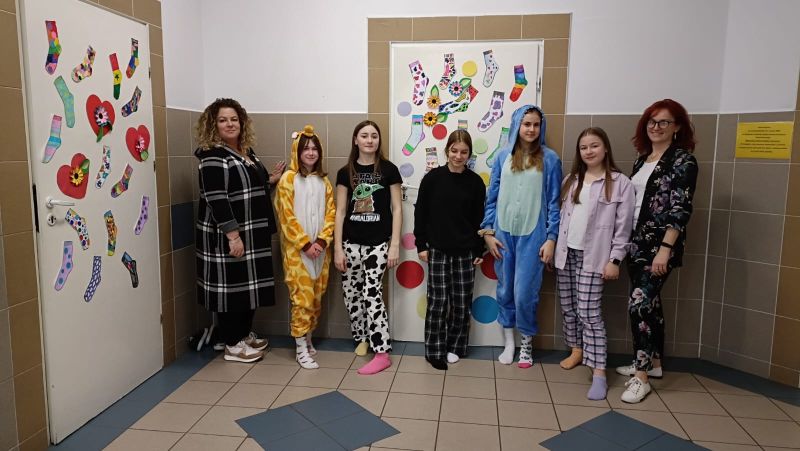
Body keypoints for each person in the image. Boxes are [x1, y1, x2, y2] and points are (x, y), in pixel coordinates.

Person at [616, 99, 698, 403]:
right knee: (651, 306)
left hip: (660, 246)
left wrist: (665, 249)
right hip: (637, 243)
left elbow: (680, 208)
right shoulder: (642, 160)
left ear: (677, 127)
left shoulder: (683, 161)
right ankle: (654, 363)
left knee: (639, 305)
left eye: (664, 122)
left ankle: (641, 377)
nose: (656, 127)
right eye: (652, 121)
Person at [194, 98, 284, 363]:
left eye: (234, 119)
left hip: (252, 233)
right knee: (231, 291)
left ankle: (242, 335)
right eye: (223, 120)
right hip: (229, 235)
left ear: (242, 122)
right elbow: (217, 198)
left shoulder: (245, 152)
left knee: (248, 289)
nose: (230, 124)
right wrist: (233, 236)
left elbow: (248, 187)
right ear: (213, 125)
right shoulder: (213, 156)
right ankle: (232, 343)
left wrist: (270, 180)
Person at [554, 127, 634, 400]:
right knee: (569, 308)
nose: (589, 151)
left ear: (605, 148)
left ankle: (599, 372)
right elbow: (562, 217)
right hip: (566, 254)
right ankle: (576, 350)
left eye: (594, 145)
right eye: (583, 147)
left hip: (595, 258)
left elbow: (623, 227)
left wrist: (615, 259)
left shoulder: (620, 183)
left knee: (589, 313)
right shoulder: (571, 180)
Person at [480, 105, 562, 368]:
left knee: (525, 292)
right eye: (527, 124)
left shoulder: (550, 159)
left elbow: (554, 202)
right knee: (505, 289)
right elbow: (491, 197)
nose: (531, 129)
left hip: (534, 236)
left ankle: (526, 342)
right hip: (503, 234)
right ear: (517, 125)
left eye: (536, 124)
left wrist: (551, 238)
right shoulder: (502, 156)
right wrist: (488, 232)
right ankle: (509, 342)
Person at [414, 130, 486, 371]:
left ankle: (456, 346)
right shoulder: (432, 179)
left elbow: (479, 219)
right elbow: (420, 213)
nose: (458, 156)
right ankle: (435, 350)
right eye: (454, 151)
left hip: (466, 252)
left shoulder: (475, 183)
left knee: (461, 302)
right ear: (447, 151)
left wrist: (479, 249)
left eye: (464, 152)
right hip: (437, 250)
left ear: (469, 154)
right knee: (438, 302)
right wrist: (421, 245)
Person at [334, 120, 402, 375]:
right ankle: (361, 337)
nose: (370, 140)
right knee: (352, 294)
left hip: (378, 244)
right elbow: (340, 211)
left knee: (372, 293)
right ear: (356, 140)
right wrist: (338, 248)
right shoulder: (345, 172)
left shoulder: (389, 170)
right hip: (350, 243)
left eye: (374, 135)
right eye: (364, 135)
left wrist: (394, 245)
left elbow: (397, 209)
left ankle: (382, 351)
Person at [275, 125, 336, 370]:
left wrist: (321, 242)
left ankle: (308, 338)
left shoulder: (324, 181)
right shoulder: (288, 180)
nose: (310, 153)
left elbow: (331, 213)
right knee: (302, 299)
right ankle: (300, 349)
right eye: (305, 149)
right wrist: (305, 244)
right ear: (297, 151)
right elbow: (286, 217)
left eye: (314, 149)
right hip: (297, 253)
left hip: (321, 251)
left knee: (316, 297)